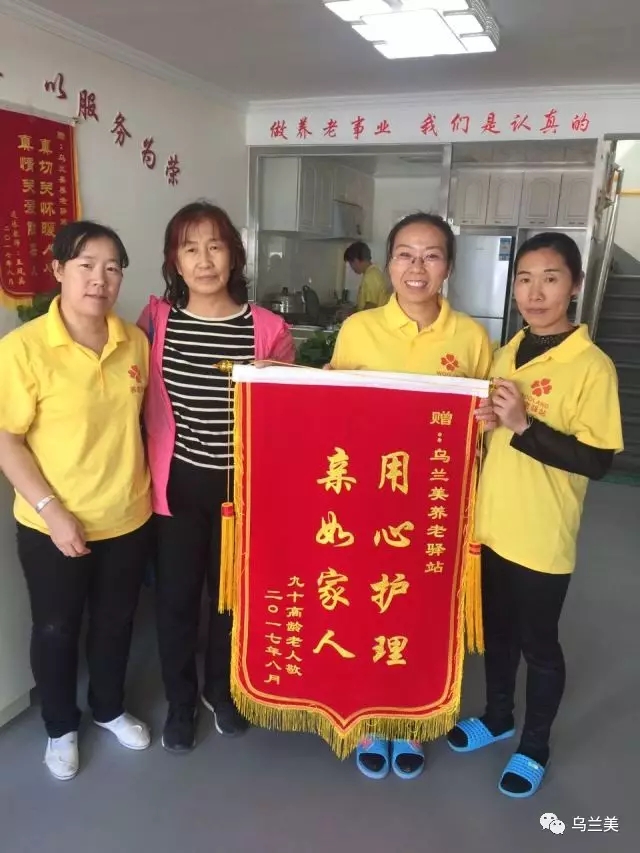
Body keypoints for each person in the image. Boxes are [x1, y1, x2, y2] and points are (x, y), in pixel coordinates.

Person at [446, 233, 623, 798]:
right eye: (524, 279)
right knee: (496, 635)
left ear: (575, 286)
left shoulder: (591, 366)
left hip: (542, 536)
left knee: (539, 646)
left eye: (550, 278)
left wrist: (524, 426)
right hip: (490, 527)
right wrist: (489, 423)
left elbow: (597, 460)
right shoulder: (507, 352)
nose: (535, 292)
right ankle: (498, 717)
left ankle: (535, 745)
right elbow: (498, 434)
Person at [331, 212, 492, 779]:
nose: (416, 267)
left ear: (448, 267)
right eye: (405, 253)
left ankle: (414, 720)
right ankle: (371, 718)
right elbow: (334, 414)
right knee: (370, 604)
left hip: (437, 502)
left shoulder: (471, 338)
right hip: (370, 499)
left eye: (431, 255)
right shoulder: (359, 330)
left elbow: (483, 426)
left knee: (424, 611)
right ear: (389, 262)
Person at [138, 201, 295, 753]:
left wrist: (292, 380)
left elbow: (291, 416)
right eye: (190, 248)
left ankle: (219, 690)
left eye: (215, 246)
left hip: (242, 490)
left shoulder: (268, 328)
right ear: (174, 261)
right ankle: (180, 703)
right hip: (177, 485)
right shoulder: (156, 323)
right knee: (177, 600)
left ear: (234, 255)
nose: (204, 260)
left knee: (231, 599)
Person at [0, 221, 152, 781]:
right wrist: (52, 511)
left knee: (116, 622)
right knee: (56, 628)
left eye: (112, 268)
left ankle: (108, 709)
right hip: (53, 524)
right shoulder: (23, 349)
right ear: (59, 270)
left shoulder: (133, 341)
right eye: (86, 265)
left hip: (127, 516)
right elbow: (7, 441)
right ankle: (60, 726)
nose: (99, 279)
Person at [344, 241, 389, 310]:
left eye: (351, 263)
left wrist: (353, 314)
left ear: (356, 260)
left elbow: (371, 306)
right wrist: (351, 311)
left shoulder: (371, 277)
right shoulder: (373, 272)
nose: (351, 267)